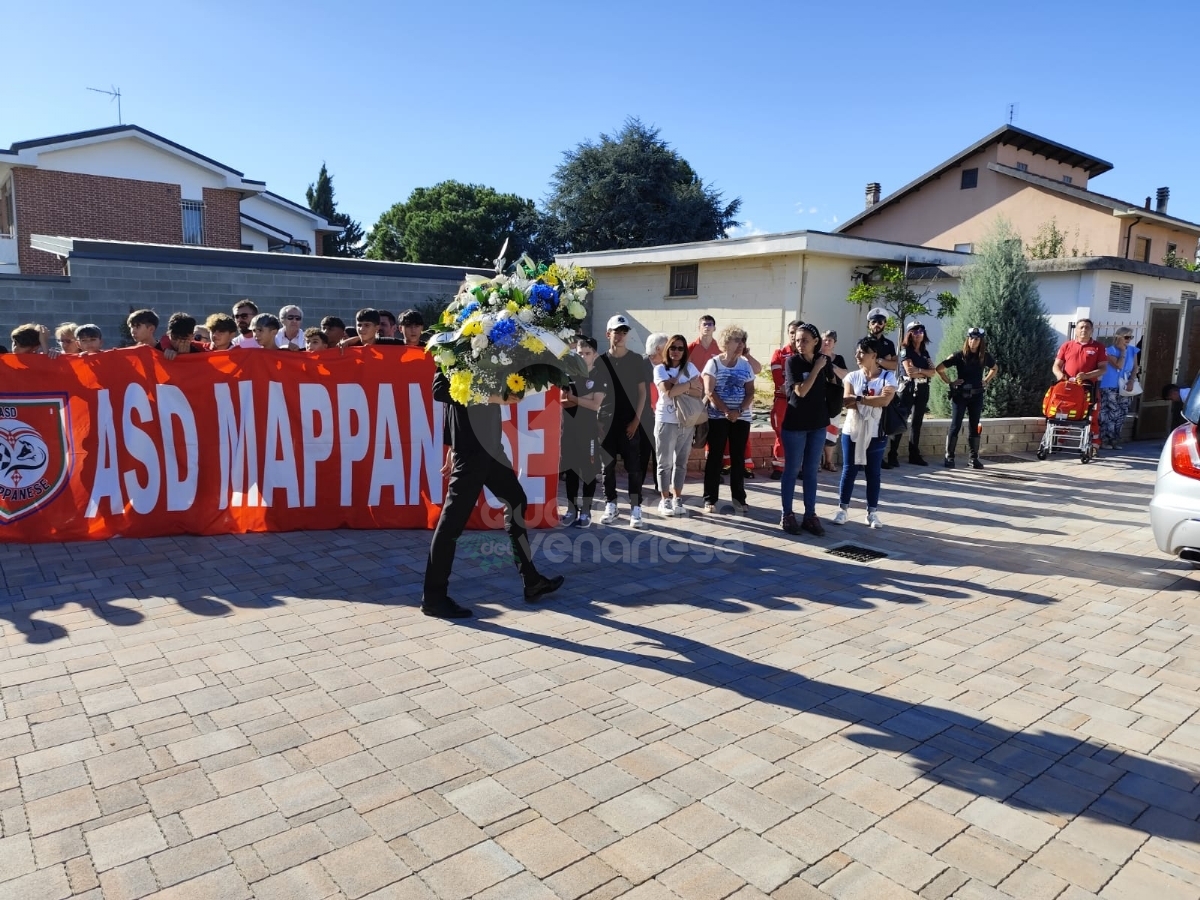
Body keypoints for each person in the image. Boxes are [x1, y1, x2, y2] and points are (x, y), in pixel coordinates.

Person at [422, 371, 564, 619]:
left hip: (491, 449)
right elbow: (440, 391)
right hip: (472, 451)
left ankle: (531, 580)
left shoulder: (489, 348)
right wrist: (490, 397)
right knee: (450, 524)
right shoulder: (454, 346)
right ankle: (434, 597)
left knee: (516, 500)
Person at [834, 338, 896, 529]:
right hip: (852, 430)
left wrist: (859, 398)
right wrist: (870, 400)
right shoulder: (852, 377)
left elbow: (884, 401)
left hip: (876, 432)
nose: (857, 356)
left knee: (873, 473)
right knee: (849, 469)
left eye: (862, 352)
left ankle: (872, 512)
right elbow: (846, 401)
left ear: (874, 355)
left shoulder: (888, 377)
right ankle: (842, 509)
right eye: (857, 352)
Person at [780, 323, 835, 536]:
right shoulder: (792, 362)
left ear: (815, 342)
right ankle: (787, 514)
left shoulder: (823, 361)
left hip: (818, 424)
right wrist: (817, 368)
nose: (799, 344)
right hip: (796, 426)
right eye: (796, 340)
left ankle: (810, 515)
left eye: (804, 340)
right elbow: (801, 392)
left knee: (811, 471)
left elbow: (834, 382)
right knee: (792, 471)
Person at [598, 315, 649, 528]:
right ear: (608, 334)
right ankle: (611, 504)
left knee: (633, 467)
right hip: (606, 423)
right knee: (606, 467)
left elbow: (642, 393)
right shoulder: (600, 361)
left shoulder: (636, 359)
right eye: (616, 331)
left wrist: (637, 420)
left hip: (629, 422)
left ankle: (636, 508)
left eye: (623, 332)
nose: (620, 335)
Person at [702, 324, 756, 515]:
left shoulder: (745, 364)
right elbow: (710, 391)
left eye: (743, 340)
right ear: (726, 342)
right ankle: (710, 498)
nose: (741, 344)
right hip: (717, 417)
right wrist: (726, 411)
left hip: (741, 417)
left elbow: (750, 391)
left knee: (738, 458)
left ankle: (739, 499)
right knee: (715, 457)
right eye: (737, 340)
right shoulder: (714, 363)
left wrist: (738, 411)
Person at [561, 336, 609, 527]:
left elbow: (596, 404)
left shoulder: (599, 376)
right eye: (579, 353)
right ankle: (572, 509)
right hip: (570, 430)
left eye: (587, 353)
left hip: (588, 431)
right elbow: (561, 399)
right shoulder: (568, 374)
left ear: (594, 355)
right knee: (571, 471)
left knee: (588, 471)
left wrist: (575, 399)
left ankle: (587, 511)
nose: (583, 356)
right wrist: (583, 399)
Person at [654, 333, 703, 517]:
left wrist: (682, 386)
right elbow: (667, 393)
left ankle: (677, 498)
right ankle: (664, 499)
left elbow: (699, 393)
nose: (676, 351)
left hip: (686, 421)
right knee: (665, 463)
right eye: (673, 347)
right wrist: (689, 385)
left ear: (685, 351)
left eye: (680, 348)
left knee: (681, 462)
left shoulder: (690, 368)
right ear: (667, 349)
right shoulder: (660, 369)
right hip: (666, 421)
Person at [936, 327, 998, 469]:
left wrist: (986, 380)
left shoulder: (985, 356)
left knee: (974, 426)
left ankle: (973, 458)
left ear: (981, 341)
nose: (972, 341)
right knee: (955, 425)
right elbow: (939, 368)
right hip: (960, 395)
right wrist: (950, 382)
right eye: (970, 338)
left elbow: (995, 368)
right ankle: (949, 457)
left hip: (976, 395)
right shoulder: (959, 355)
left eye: (976, 339)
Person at [888, 321, 935, 467]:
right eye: (915, 331)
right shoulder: (905, 351)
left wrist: (919, 371)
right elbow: (909, 372)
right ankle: (892, 455)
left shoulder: (925, 352)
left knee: (917, 423)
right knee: (901, 421)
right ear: (909, 334)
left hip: (922, 389)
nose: (918, 334)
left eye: (921, 331)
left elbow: (933, 372)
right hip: (908, 389)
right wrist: (924, 372)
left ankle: (914, 455)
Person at [769, 320, 800, 479]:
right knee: (781, 433)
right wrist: (792, 388)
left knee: (800, 434)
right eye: (792, 332)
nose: (795, 336)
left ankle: (798, 467)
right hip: (782, 401)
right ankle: (779, 468)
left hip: (801, 403)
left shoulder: (807, 356)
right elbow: (778, 379)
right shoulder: (779, 354)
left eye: (797, 332)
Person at [1099, 327, 1139, 450]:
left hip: (1126, 385)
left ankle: (1115, 440)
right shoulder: (1109, 351)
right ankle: (1105, 440)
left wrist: (1132, 380)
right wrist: (1122, 352)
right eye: (1126, 337)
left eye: (1130, 337)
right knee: (1110, 413)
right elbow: (1118, 365)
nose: (1129, 340)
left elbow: (1135, 367)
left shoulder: (1133, 350)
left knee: (1122, 413)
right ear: (1119, 337)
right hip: (1110, 385)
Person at [821, 331, 849, 472]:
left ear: (834, 343)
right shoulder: (815, 355)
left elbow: (845, 375)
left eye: (830, 340)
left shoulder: (838, 359)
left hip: (835, 397)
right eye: (824, 339)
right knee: (817, 428)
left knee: (832, 429)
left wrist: (830, 365)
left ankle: (829, 461)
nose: (826, 342)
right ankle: (816, 461)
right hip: (819, 397)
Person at [1053, 318, 1107, 386]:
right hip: (1067, 385)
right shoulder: (1066, 345)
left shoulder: (1099, 347)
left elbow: (1103, 369)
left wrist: (1086, 376)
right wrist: (1059, 374)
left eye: (1087, 327)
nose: (1084, 330)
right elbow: (1056, 365)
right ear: (1076, 330)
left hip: (1088, 387)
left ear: (1092, 330)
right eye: (1081, 327)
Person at [865, 307, 898, 372]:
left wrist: (878, 360)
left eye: (880, 322)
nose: (876, 324)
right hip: (867, 378)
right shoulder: (863, 343)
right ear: (869, 325)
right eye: (873, 322)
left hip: (885, 379)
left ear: (885, 325)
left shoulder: (889, 344)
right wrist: (886, 361)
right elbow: (865, 365)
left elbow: (895, 366)